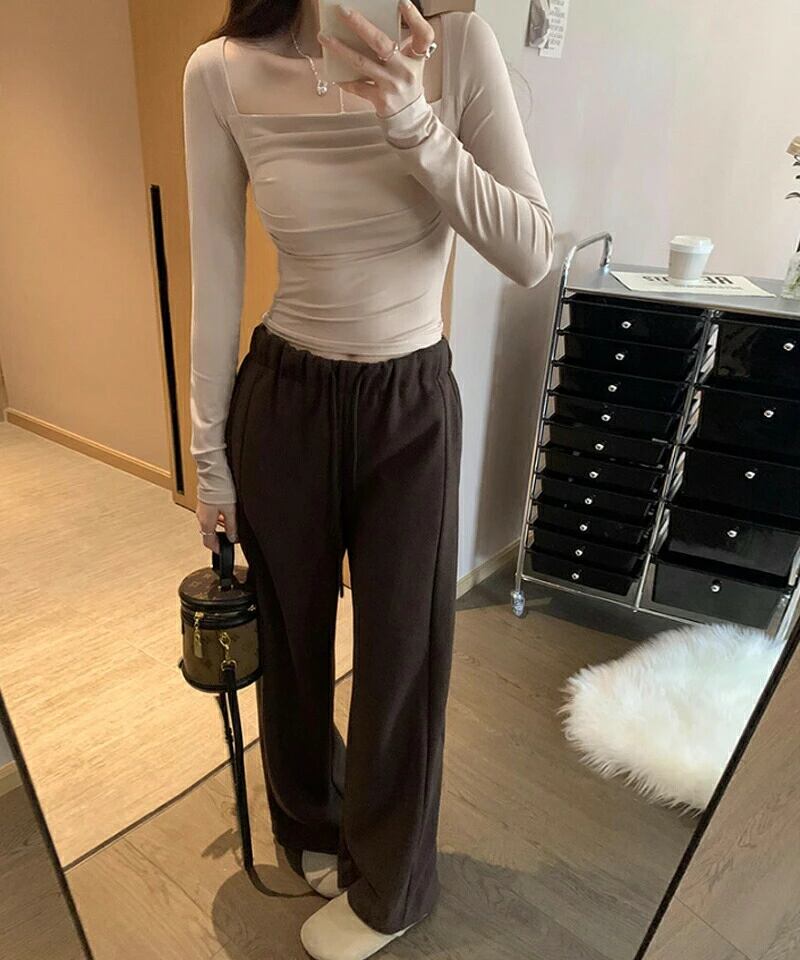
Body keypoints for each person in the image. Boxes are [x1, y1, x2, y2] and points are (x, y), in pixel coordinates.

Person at [182, 2, 553, 957]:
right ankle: (310, 818)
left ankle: (392, 887)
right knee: (292, 641)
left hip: (408, 405)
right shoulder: (219, 72)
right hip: (285, 398)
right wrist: (209, 460)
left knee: (403, 658)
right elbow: (216, 272)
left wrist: (412, 118)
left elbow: (530, 251)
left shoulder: (458, 47)